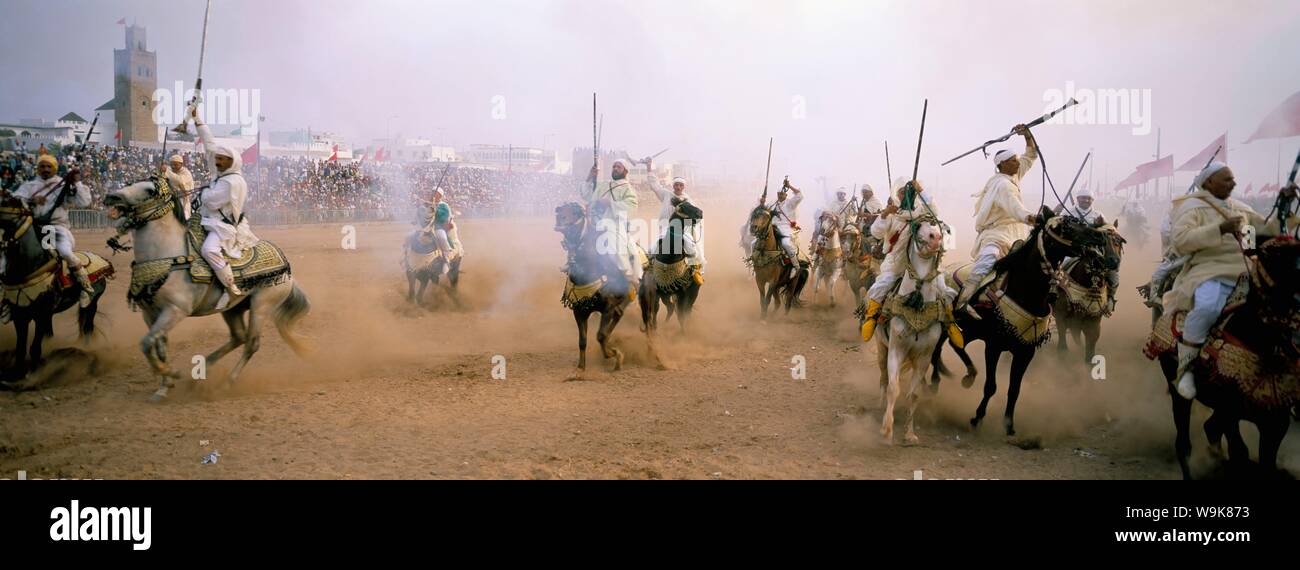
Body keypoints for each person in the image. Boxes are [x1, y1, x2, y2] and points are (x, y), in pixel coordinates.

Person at [1162, 162, 1294, 399]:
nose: (1233, 183)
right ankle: (1186, 370)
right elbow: (1180, 242)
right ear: (1209, 182)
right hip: (1209, 270)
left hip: (1248, 271)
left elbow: (1268, 230)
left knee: (1285, 308)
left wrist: (1284, 205)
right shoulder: (1192, 207)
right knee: (1207, 307)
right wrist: (1220, 228)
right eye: (1227, 179)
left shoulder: (1239, 208)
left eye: (1233, 179)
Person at [858, 178, 960, 344]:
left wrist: (920, 190)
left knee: (942, 285)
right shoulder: (893, 215)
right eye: (902, 192)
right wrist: (884, 214)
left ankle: (950, 321)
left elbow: (934, 209)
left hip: (923, 264)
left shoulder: (922, 212)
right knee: (882, 284)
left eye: (908, 192)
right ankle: (871, 317)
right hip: (896, 263)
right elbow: (876, 233)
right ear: (897, 195)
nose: (905, 194)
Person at [954, 124, 1040, 318]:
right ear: (1002, 165)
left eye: (1017, 160)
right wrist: (1030, 218)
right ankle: (963, 301)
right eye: (1013, 161)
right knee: (986, 262)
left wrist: (1026, 135)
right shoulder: (1003, 185)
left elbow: (1031, 155)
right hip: (997, 233)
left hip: (1017, 234)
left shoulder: (1013, 175)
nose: (1018, 163)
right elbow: (1015, 208)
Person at [194, 108, 260, 309]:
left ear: (233, 162)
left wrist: (203, 191)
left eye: (223, 159)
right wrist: (198, 119)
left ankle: (231, 290)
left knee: (208, 250)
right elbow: (210, 145)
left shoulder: (232, 182)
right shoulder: (221, 174)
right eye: (218, 159)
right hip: (205, 219)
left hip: (221, 227)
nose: (218, 161)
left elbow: (211, 201)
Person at [11, 154, 95, 306]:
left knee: (64, 252)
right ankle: (7, 298)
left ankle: (84, 288)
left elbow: (84, 202)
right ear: (38, 168)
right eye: (42, 166)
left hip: (55, 228)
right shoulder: (29, 186)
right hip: (30, 228)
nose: (45, 169)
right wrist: (30, 200)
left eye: (49, 166)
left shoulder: (64, 184)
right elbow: (13, 200)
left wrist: (77, 182)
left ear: (55, 168)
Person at [580, 158, 642, 296]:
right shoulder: (603, 185)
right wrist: (590, 176)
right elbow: (586, 195)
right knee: (580, 241)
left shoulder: (628, 189)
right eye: (613, 166)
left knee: (616, 248)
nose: (614, 168)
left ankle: (627, 276)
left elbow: (631, 208)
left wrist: (611, 204)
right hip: (595, 223)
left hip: (614, 225)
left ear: (625, 171)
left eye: (618, 167)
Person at [646, 161, 705, 277]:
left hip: (683, 232)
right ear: (673, 185)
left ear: (684, 186)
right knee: (651, 250)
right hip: (665, 230)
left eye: (680, 185)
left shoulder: (688, 201)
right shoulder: (666, 195)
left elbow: (696, 216)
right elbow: (654, 185)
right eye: (676, 185)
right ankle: (650, 273)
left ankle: (695, 273)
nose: (678, 187)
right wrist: (649, 168)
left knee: (693, 251)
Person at [752, 178, 804, 281]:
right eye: (778, 194)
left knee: (786, 243)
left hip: (786, 227)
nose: (780, 196)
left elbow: (800, 196)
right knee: (754, 243)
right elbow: (763, 211)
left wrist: (789, 186)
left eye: (782, 194)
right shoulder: (773, 204)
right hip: (772, 227)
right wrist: (762, 203)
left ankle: (795, 266)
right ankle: (755, 265)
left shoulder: (790, 203)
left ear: (786, 195)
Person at [163, 153, 195, 219]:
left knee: (184, 218)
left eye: (175, 164)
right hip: (169, 199)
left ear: (181, 164)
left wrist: (166, 171)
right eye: (171, 164)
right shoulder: (170, 170)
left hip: (183, 200)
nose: (173, 166)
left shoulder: (186, 172)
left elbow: (180, 180)